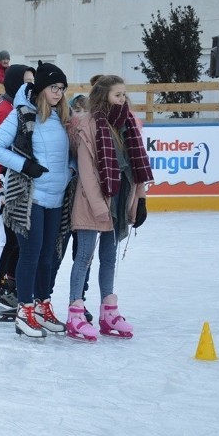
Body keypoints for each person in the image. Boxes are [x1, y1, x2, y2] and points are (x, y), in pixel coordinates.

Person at [0, 62, 74, 338]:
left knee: (49, 255)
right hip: (29, 197)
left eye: (61, 88)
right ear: (41, 89)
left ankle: (41, 306)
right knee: (31, 253)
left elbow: (69, 152)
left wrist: (70, 169)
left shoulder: (62, 117)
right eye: (53, 88)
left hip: (56, 197)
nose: (58, 93)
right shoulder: (22, 115)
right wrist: (25, 166)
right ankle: (24, 310)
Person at [66, 75, 153, 341]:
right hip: (92, 202)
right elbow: (87, 173)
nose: (123, 99)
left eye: (124, 94)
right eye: (118, 95)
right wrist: (100, 207)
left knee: (109, 257)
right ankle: (75, 313)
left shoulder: (127, 125)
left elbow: (134, 170)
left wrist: (139, 202)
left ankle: (108, 312)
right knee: (84, 257)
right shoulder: (88, 125)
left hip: (118, 199)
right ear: (104, 96)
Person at [0, 64, 35, 308]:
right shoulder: (5, 111)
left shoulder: (19, 108)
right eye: (26, 82)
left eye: (33, 82)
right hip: (0, 187)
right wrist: (0, 187)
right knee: (3, 239)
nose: (30, 87)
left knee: (13, 239)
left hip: (10, 186)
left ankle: (7, 284)